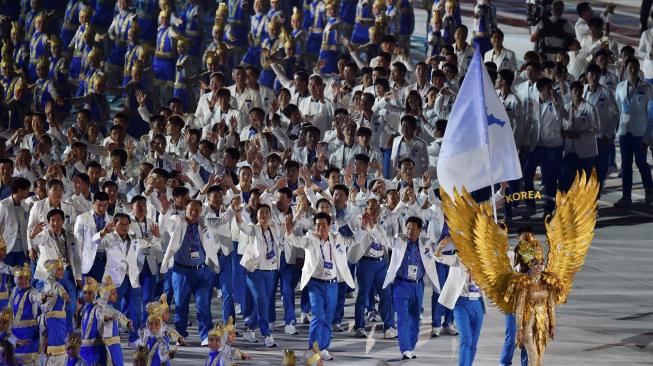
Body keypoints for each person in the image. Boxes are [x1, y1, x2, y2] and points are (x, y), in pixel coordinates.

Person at [285, 212, 358, 361]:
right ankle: (313, 348)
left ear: (330, 225)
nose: (321, 227)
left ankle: (323, 348)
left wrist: (363, 227)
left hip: (332, 284)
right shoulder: (310, 238)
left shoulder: (336, 238)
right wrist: (288, 230)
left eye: (324, 224)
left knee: (328, 318)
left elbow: (353, 241)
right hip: (315, 284)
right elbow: (295, 241)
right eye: (318, 225)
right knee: (318, 316)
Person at [159, 200, 230, 346]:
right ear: (186, 209)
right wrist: (164, 212)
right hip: (181, 272)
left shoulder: (205, 223)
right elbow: (165, 224)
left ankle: (205, 335)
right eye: (191, 209)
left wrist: (234, 206)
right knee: (181, 305)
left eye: (197, 210)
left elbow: (222, 220)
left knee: (203, 304)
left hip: (201, 272)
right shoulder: (177, 221)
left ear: (201, 211)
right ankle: (180, 335)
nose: (194, 213)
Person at [377, 216, 439, 359]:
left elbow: (440, 248)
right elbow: (383, 239)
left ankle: (410, 347)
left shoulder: (426, 244)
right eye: (408, 228)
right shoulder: (399, 240)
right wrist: (372, 226)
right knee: (403, 317)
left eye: (413, 229)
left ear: (420, 230)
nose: (410, 231)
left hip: (418, 285)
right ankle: (405, 349)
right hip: (401, 284)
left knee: (415, 318)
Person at [613, 58, 653, 206]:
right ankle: (626, 197)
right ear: (626, 68)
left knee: (641, 162)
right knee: (625, 164)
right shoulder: (620, 87)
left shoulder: (647, 88)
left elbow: (651, 114)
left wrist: (648, 137)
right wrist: (614, 130)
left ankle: (649, 191)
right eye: (630, 67)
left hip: (640, 132)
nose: (633, 69)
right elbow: (616, 111)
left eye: (635, 67)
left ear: (639, 69)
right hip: (624, 131)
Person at [559, 81, 599, 191]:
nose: (578, 92)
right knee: (566, 179)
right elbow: (562, 125)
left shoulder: (590, 108)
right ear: (571, 92)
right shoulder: (566, 107)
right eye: (575, 90)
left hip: (587, 150)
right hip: (570, 149)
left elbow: (596, 129)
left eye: (580, 90)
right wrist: (563, 133)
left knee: (584, 182)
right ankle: (564, 204)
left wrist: (579, 135)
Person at [96, 276, 133, 366]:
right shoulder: (98, 307)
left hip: (115, 342)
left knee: (117, 362)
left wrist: (127, 323)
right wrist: (106, 318)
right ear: (106, 294)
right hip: (105, 343)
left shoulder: (110, 308)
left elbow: (120, 316)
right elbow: (99, 315)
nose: (116, 295)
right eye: (113, 293)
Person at [10, 264, 42, 366]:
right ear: (15, 278)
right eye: (20, 278)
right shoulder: (14, 290)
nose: (23, 281)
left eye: (26, 278)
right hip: (15, 336)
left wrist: (43, 297)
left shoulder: (32, 292)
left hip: (29, 337)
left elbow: (37, 297)